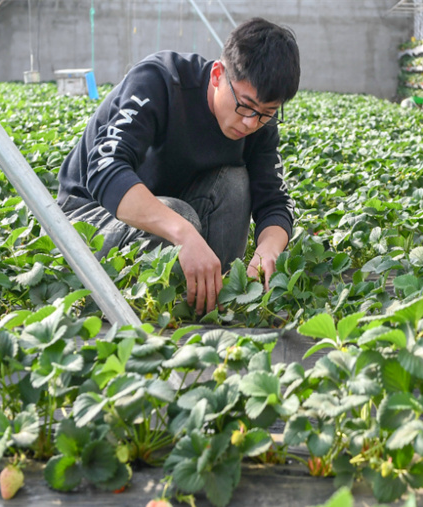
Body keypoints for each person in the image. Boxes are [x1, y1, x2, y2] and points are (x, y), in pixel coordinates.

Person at [56, 17, 300, 315]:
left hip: (174, 216)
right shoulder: (160, 81)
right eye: (245, 105)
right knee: (177, 216)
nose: (251, 122)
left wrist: (268, 249)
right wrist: (183, 234)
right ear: (217, 75)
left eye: (266, 113)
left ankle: (207, 299)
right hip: (89, 215)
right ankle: (154, 304)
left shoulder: (260, 124)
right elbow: (104, 170)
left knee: (235, 183)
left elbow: (274, 201)